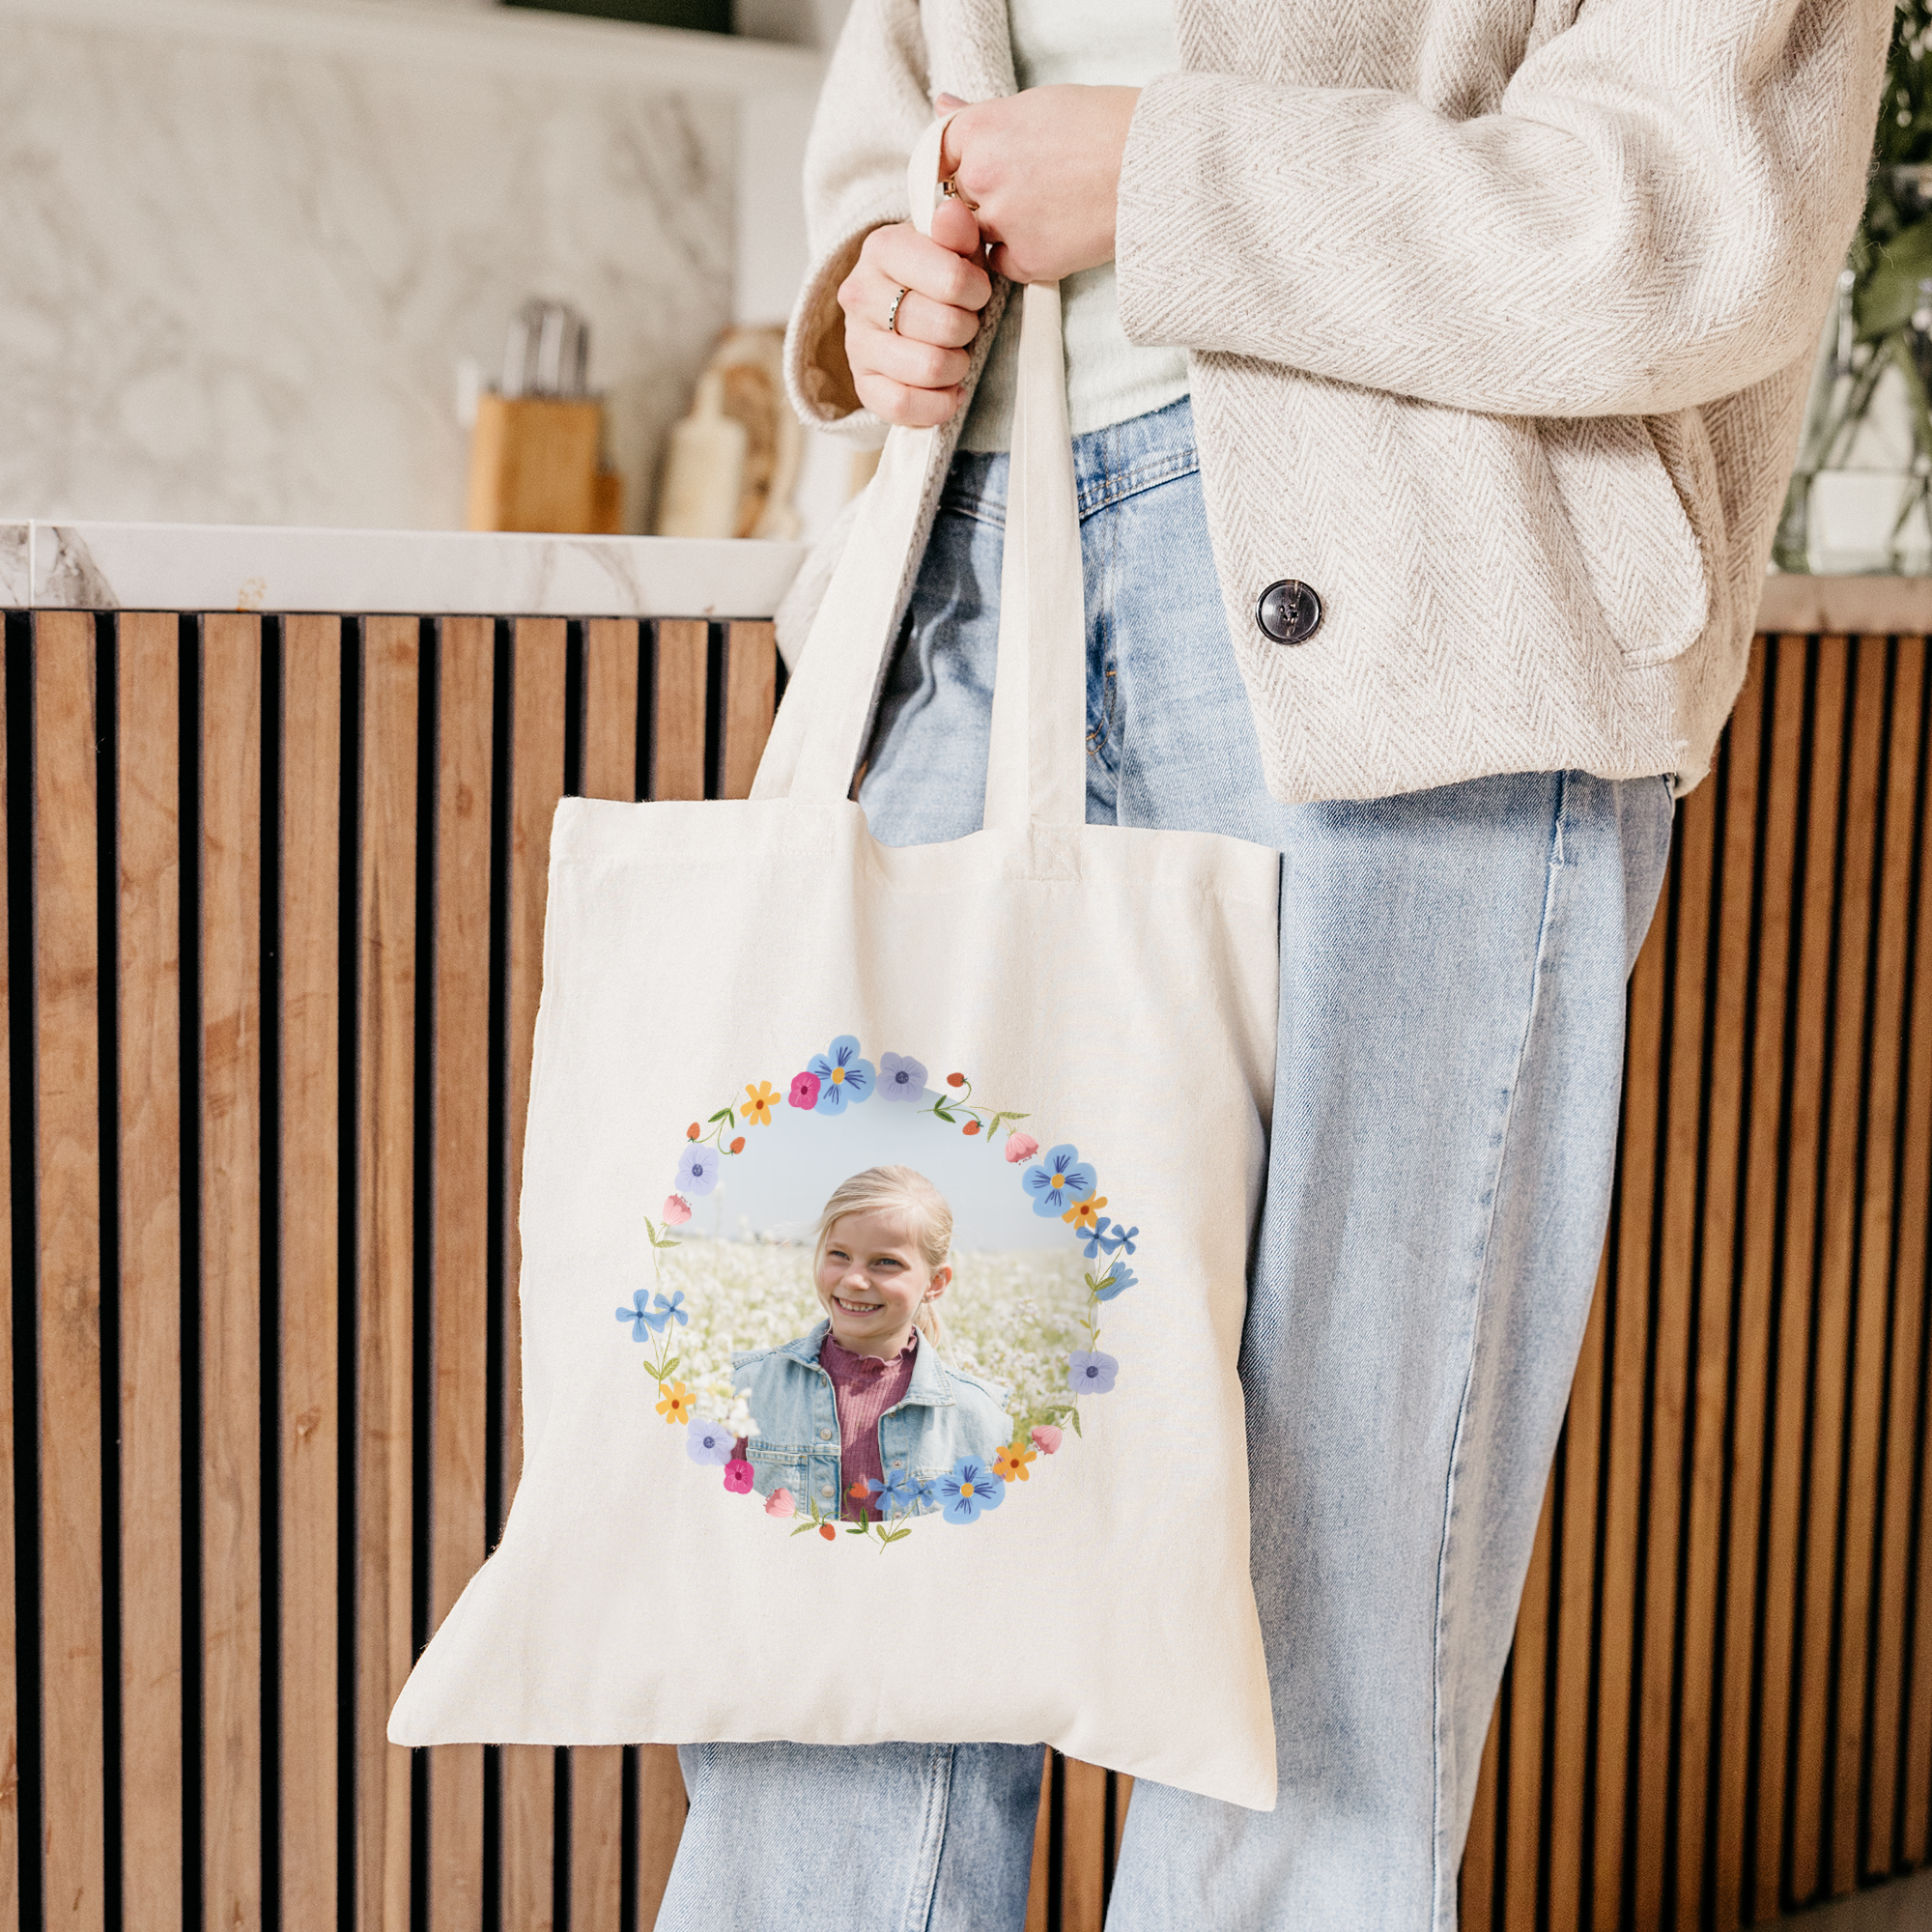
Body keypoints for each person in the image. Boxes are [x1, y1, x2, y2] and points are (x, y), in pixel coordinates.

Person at [662, 1, 1893, 1926]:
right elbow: (898, 114)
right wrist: (877, 281)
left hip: (1418, 617)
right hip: (961, 584)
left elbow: (1699, 213)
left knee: (1316, 1592)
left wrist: (1172, 177)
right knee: (856, 1523)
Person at [729, 1165, 1010, 1521]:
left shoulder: (982, 1419)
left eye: (886, 1262)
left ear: (935, 1283)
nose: (854, 1280)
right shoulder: (745, 1389)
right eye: (839, 1255)